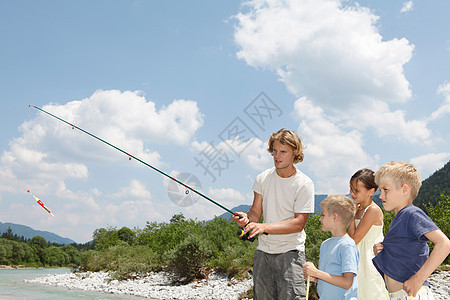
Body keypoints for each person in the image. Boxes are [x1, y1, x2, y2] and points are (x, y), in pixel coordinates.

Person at [233, 128, 315, 300]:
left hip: (291, 254)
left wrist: (263, 227)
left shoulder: (304, 184)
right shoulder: (262, 178)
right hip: (263, 253)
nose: (277, 156)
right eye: (275, 151)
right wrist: (247, 220)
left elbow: (299, 223)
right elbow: (255, 212)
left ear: (295, 152)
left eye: (283, 152)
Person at [372, 161, 450, 299]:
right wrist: (384, 253)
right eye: (380, 190)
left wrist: (419, 279)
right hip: (398, 295)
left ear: (404, 189)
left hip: (411, 295)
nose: (380, 195)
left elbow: (444, 244)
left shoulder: (412, 214)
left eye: (385, 190)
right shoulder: (400, 217)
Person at [303, 195, 359, 300]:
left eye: (323, 215)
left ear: (335, 217)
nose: (320, 219)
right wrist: (316, 278)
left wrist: (316, 272)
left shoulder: (347, 245)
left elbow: (347, 282)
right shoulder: (325, 244)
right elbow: (331, 277)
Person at [347, 169, 389, 299]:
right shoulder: (358, 208)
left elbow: (354, 239)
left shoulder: (373, 210)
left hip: (369, 259)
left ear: (371, 191)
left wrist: (351, 216)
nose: (352, 193)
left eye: (357, 190)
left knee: (371, 293)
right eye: (351, 188)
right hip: (358, 258)